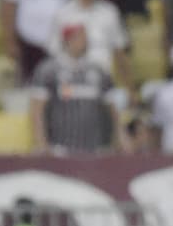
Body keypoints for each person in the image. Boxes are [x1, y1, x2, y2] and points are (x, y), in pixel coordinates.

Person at [30, 24, 123, 154]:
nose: (86, 42)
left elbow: (112, 108)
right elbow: (37, 109)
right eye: (81, 37)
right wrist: (41, 143)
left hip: (95, 149)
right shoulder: (48, 70)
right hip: (59, 149)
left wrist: (119, 139)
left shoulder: (98, 70)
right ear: (69, 40)